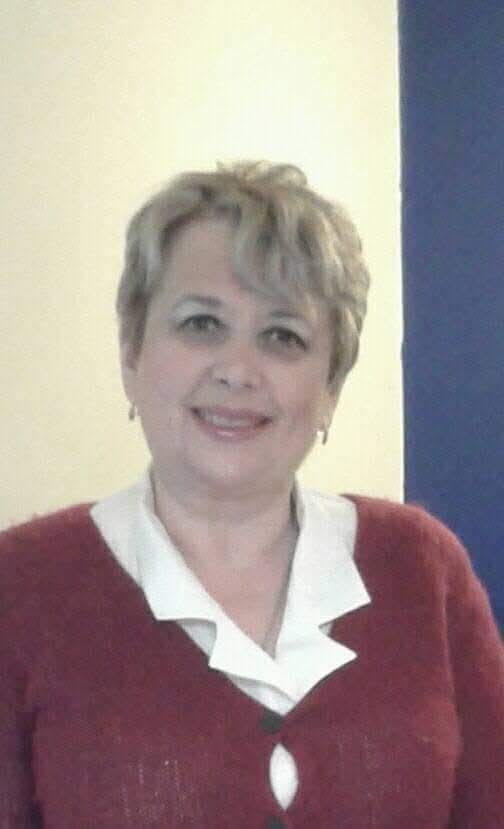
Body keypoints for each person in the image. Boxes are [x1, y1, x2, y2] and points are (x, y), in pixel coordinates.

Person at [1, 161, 502, 829]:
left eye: (282, 336)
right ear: (131, 353)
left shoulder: (421, 567)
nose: (238, 370)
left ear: (330, 388)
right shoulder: (22, 586)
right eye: (201, 324)